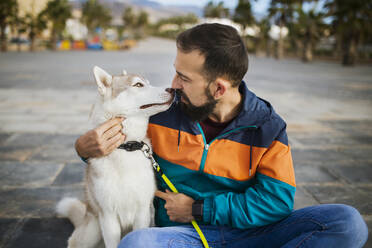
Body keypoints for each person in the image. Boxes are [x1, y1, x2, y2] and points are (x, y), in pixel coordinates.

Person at [75, 23, 368, 248]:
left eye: (185, 78)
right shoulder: (159, 113)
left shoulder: (267, 127)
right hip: (184, 238)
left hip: (253, 234)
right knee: (137, 243)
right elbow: (110, 130)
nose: (173, 86)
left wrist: (199, 208)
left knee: (348, 223)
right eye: (176, 72)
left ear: (219, 89)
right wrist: (84, 147)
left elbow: (277, 202)